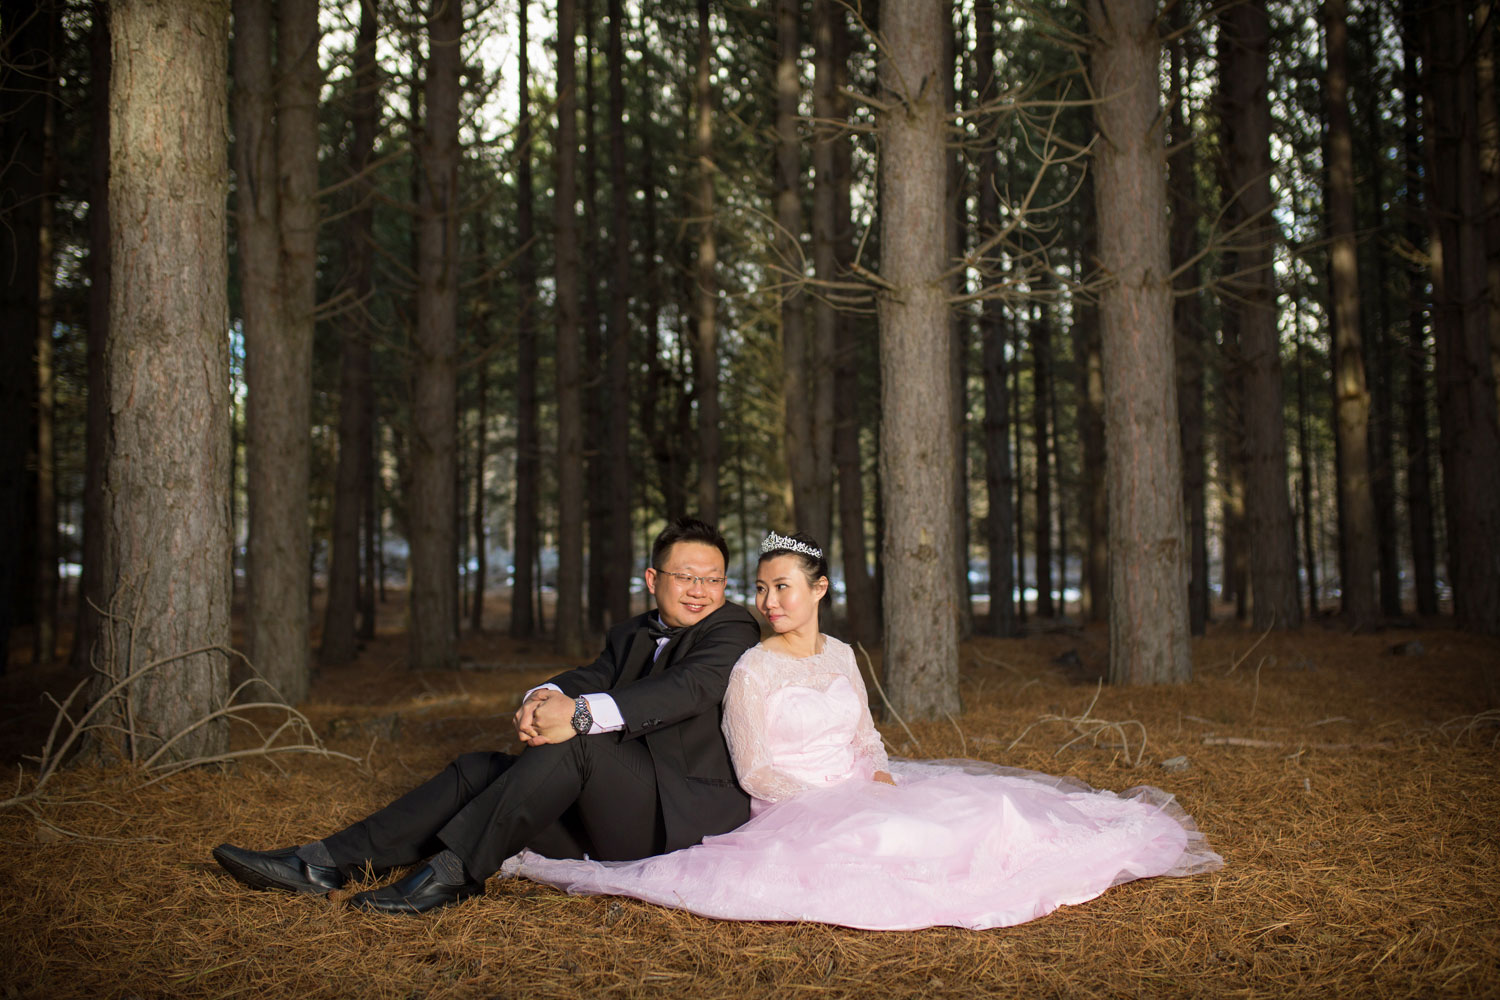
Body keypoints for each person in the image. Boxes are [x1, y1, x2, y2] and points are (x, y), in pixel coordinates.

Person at [503, 531, 1224, 931]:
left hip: (861, 785)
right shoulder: (749, 667)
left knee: (990, 814)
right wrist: (831, 797)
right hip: (792, 804)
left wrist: (874, 775)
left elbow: (867, 735)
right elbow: (754, 769)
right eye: (760, 588)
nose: (768, 600)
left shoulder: (845, 654)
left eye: (783, 586)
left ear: (818, 591)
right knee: (885, 845)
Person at [212, 517, 760, 914]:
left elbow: (688, 688)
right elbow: (590, 676)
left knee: (579, 741)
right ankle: (322, 863)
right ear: (652, 578)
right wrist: (541, 697)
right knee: (479, 769)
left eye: (713, 578)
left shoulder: (731, 627)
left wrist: (580, 716)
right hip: (604, 812)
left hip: (673, 817)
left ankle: (455, 873)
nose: (701, 590)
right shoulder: (632, 632)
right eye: (687, 575)